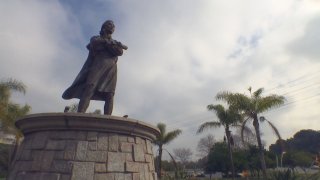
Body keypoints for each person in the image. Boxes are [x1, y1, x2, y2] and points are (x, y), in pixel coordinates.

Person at [62, 20, 127, 115]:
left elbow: (119, 52)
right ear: (103, 27)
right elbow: (93, 43)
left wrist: (109, 44)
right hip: (97, 66)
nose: (112, 27)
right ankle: (80, 114)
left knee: (110, 94)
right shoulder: (96, 38)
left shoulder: (115, 42)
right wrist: (108, 42)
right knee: (89, 88)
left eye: (113, 26)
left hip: (110, 70)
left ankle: (108, 119)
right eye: (110, 25)